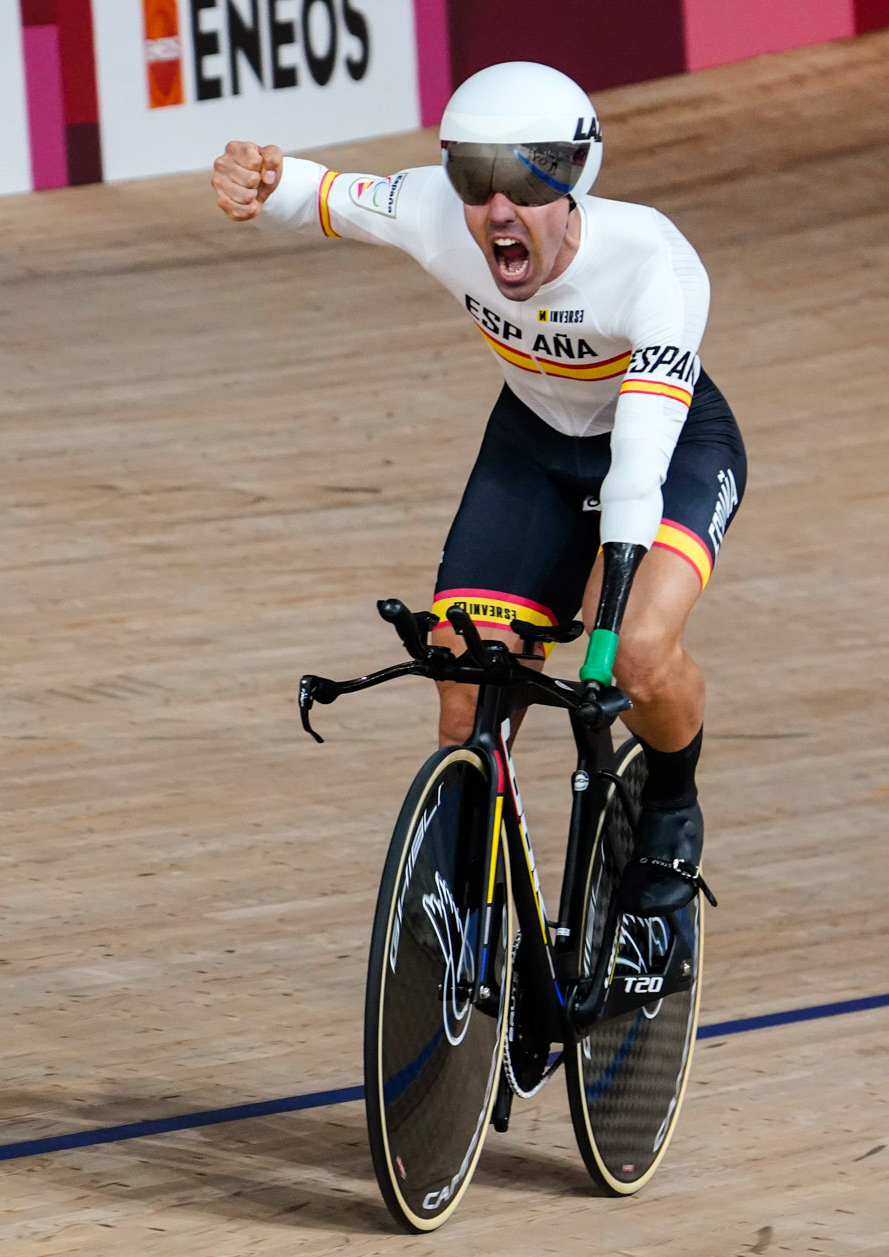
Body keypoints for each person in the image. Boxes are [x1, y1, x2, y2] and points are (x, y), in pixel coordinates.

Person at [210, 61, 746, 919]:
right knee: (463, 689)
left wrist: (603, 631)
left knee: (642, 656)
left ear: (576, 179)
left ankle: (674, 803)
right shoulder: (436, 215)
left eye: (528, 183)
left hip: (667, 448)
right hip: (534, 443)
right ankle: (474, 913)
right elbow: (333, 196)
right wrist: (264, 181)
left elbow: (638, 464)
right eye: (475, 179)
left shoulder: (654, 265)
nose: (498, 209)